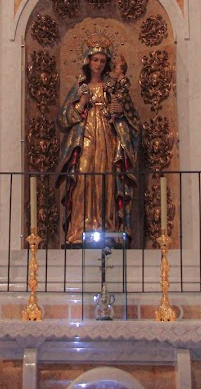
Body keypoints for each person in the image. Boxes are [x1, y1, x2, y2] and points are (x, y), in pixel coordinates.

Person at [57, 45, 140, 244]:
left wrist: (120, 111)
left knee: (107, 179)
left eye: (102, 61)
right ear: (88, 61)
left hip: (107, 138)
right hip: (85, 137)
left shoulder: (113, 88)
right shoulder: (79, 88)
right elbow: (62, 120)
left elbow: (134, 120)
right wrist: (81, 104)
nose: (98, 64)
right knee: (83, 175)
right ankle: (79, 228)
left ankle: (108, 227)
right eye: (95, 60)